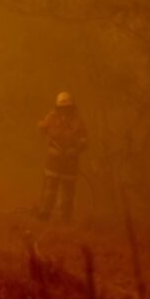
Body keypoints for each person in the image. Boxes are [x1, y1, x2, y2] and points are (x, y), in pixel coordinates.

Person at [37, 91, 88, 222]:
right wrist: (44, 128)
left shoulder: (78, 121)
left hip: (70, 162)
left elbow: (84, 140)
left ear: (71, 107)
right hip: (53, 161)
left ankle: (65, 219)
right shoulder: (52, 117)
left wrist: (75, 149)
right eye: (62, 108)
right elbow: (42, 126)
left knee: (68, 194)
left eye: (67, 108)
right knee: (50, 190)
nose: (65, 111)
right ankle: (44, 215)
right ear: (58, 108)